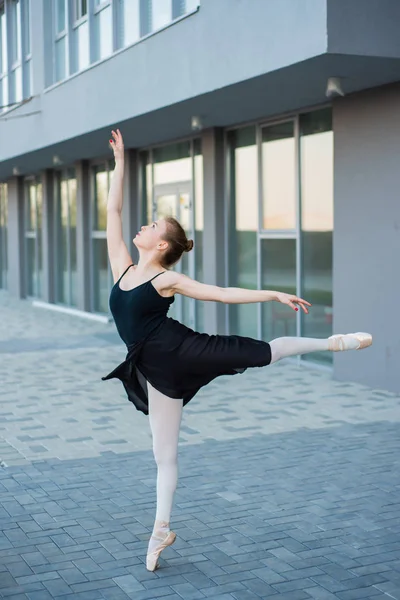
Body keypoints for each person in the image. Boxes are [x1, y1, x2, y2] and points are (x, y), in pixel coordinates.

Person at [102, 129, 372, 572]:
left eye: (152, 226)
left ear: (162, 245)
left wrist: (273, 295)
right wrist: (119, 164)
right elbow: (112, 209)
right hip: (154, 371)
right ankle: (159, 533)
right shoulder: (123, 267)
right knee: (163, 456)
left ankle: (333, 342)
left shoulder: (165, 279)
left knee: (263, 352)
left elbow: (221, 294)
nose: (142, 226)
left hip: (185, 350)